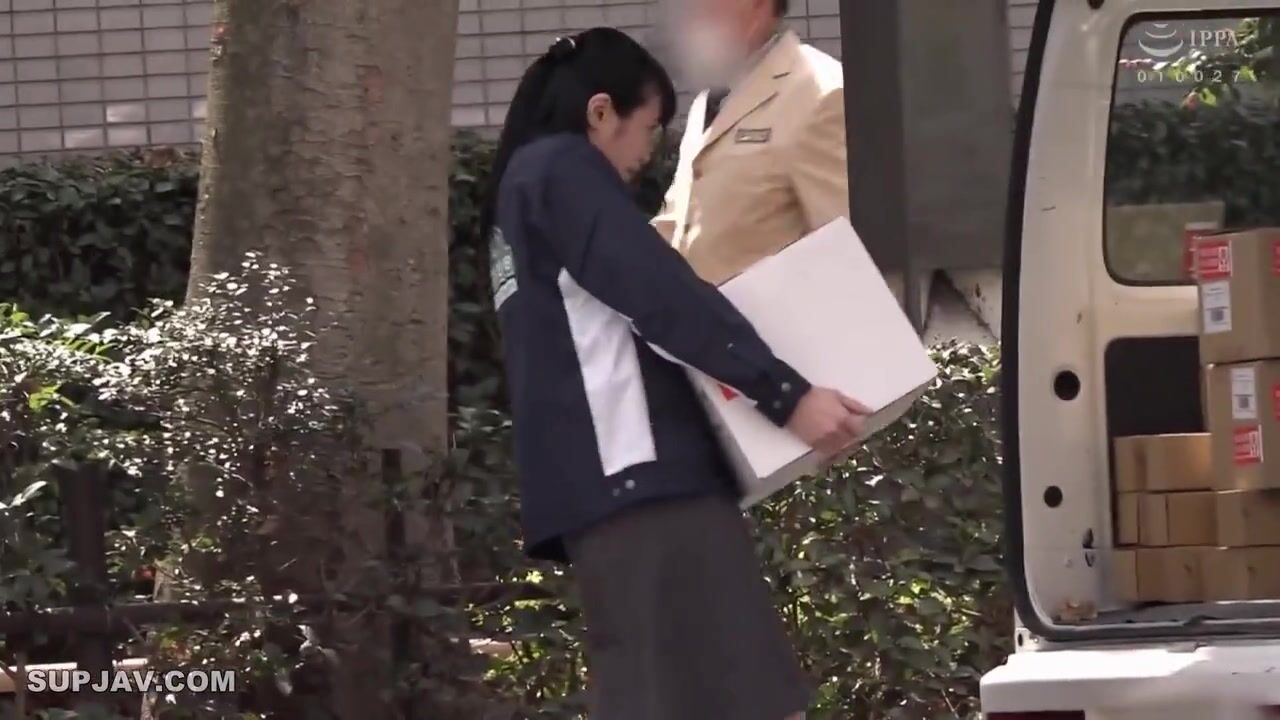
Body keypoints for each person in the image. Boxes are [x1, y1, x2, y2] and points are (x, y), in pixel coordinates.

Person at [481, 27, 867, 720]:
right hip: (646, 484)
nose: (648, 154)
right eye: (649, 129)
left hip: (604, 491)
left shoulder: (521, 190)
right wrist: (787, 394)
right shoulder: (563, 172)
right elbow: (660, 295)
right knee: (747, 701)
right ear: (601, 111)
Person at [656, 0, 848, 287]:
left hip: (776, 316)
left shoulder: (820, 94)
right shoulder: (708, 99)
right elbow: (680, 219)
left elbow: (849, 255)